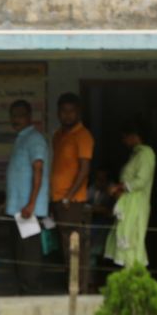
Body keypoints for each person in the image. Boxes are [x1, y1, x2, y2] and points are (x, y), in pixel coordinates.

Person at [50, 92, 94, 292]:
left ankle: (79, 289)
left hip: (73, 201)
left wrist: (69, 196)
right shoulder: (58, 135)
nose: (67, 115)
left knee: (75, 246)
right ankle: (71, 286)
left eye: (71, 111)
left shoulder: (83, 135)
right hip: (58, 199)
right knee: (65, 245)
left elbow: (84, 169)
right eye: (63, 111)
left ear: (78, 112)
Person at [5, 100, 50, 295]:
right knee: (20, 251)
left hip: (29, 210)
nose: (16, 119)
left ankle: (32, 292)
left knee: (29, 253)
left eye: (20, 115)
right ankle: (23, 290)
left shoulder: (34, 139)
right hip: (19, 209)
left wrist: (31, 204)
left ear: (29, 116)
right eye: (13, 115)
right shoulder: (22, 138)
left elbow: (38, 170)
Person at [104, 120, 156, 268]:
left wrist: (118, 187)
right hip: (128, 204)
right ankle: (128, 274)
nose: (123, 141)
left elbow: (141, 181)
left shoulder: (146, 153)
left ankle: (134, 274)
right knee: (125, 237)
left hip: (136, 204)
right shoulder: (136, 154)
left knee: (133, 240)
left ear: (134, 136)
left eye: (124, 137)